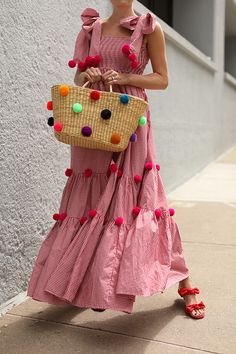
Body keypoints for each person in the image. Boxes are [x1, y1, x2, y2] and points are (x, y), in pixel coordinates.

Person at [27, 1, 205, 319]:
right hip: (92, 118)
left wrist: (125, 77)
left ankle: (184, 279)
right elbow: (79, 74)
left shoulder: (149, 28)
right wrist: (89, 73)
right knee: (92, 199)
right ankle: (95, 282)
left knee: (143, 198)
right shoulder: (92, 28)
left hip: (130, 119)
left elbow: (162, 78)